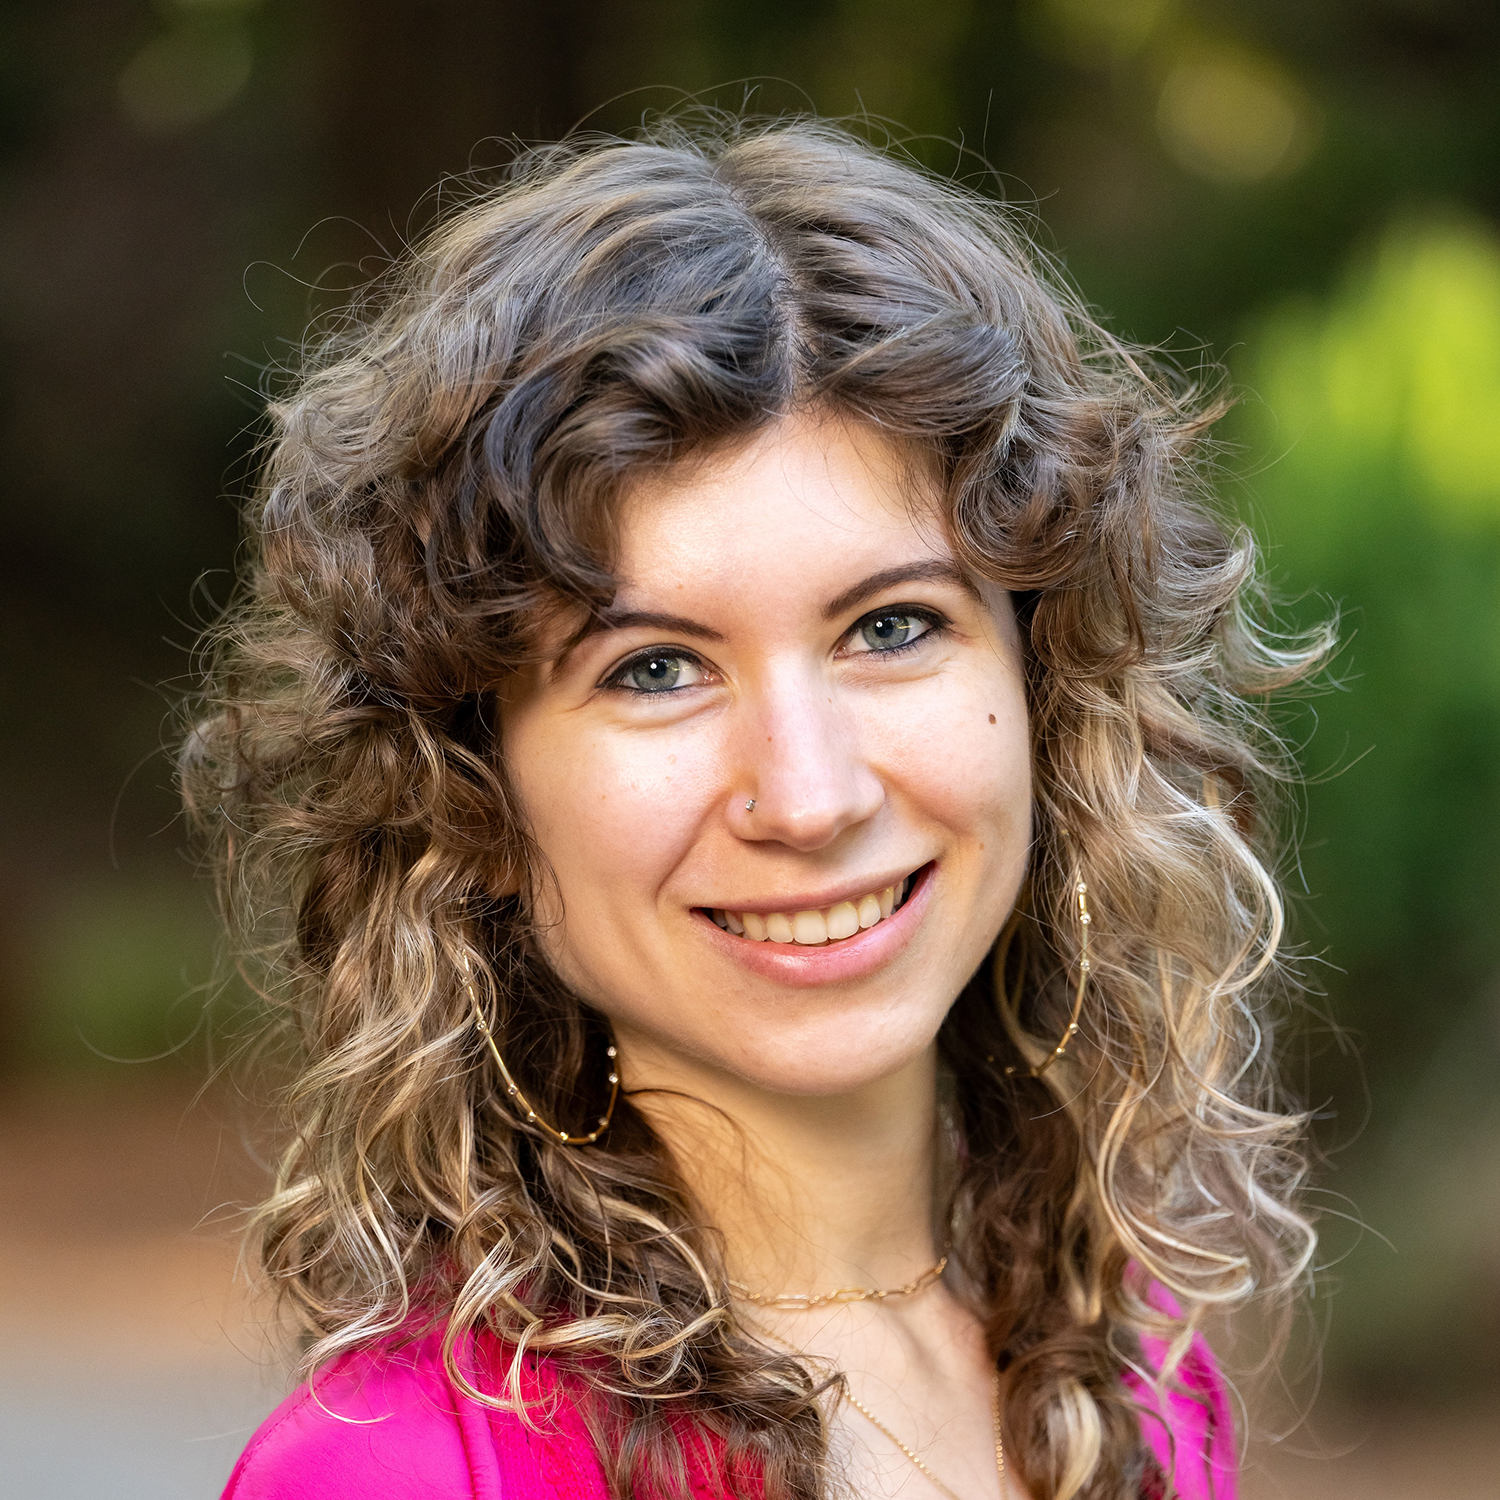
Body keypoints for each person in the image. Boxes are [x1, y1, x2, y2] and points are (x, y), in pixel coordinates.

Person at [186, 114, 1320, 1500]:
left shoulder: (1136, 1381)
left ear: (1046, 692)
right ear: (471, 793)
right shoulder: (403, 1471)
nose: (809, 795)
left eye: (891, 628)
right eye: (655, 669)